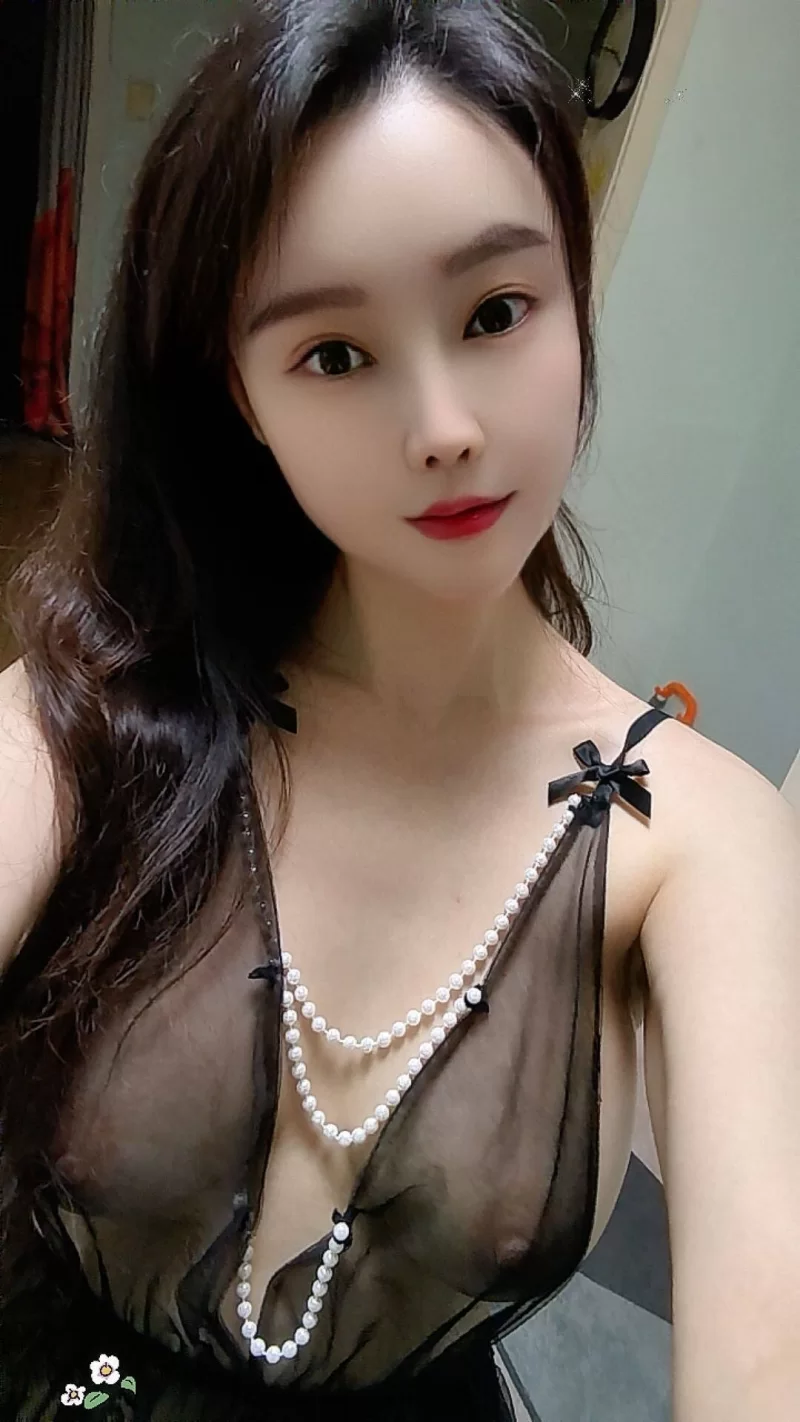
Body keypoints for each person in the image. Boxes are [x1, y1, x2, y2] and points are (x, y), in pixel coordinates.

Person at [0, 2, 798, 1418]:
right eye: (334, 353)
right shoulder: (87, 717)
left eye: (496, 313)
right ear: (241, 395)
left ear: (574, 294)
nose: (444, 427)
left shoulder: (703, 841)